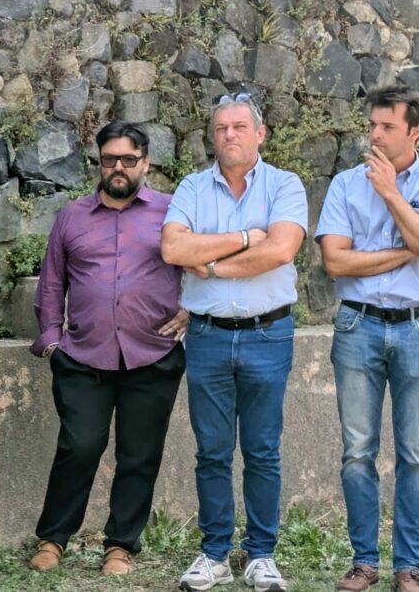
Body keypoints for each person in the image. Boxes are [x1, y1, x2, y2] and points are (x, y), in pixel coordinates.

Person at [27, 121, 187, 577]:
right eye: (109, 159)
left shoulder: (173, 212)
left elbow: (201, 262)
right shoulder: (71, 217)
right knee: (79, 446)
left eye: (128, 159)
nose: (118, 167)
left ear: (145, 163)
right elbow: (51, 283)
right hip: (83, 356)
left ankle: (121, 545)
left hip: (153, 353)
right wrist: (52, 342)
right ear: (99, 163)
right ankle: (53, 538)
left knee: (139, 454)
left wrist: (192, 309)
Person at [162, 92, 307, 592]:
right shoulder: (192, 186)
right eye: (221, 127)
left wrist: (210, 266)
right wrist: (246, 238)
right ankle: (215, 554)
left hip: (269, 334)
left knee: (263, 451)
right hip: (207, 335)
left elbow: (281, 250)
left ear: (260, 134)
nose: (229, 135)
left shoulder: (285, 185)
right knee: (212, 451)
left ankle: (261, 554)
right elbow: (173, 247)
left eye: (240, 126)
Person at [315, 85, 419, 592]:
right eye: (372, 125)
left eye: (387, 127)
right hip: (357, 325)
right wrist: (407, 251)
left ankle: (409, 566)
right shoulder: (344, 184)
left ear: (414, 133)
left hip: (416, 326)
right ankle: (364, 562)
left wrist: (392, 195)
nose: (374, 135)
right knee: (358, 452)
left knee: (415, 454)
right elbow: (335, 261)